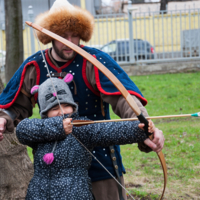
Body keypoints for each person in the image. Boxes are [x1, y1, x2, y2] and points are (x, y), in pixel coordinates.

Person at [0, 0, 164, 199]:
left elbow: (125, 100)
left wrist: (145, 127)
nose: (69, 41)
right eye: (62, 36)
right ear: (49, 36)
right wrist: (4, 119)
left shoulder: (95, 61)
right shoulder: (34, 66)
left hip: (101, 160)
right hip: (55, 169)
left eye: (74, 35)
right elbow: (13, 106)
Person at [16, 75, 156, 199]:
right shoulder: (41, 132)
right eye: (54, 108)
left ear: (73, 106)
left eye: (66, 106)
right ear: (45, 113)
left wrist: (139, 129)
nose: (62, 112)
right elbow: (22, 130)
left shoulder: (81, 127)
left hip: (75, 194)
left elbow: (110, 130)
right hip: (38, 194)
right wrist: (59, 126)